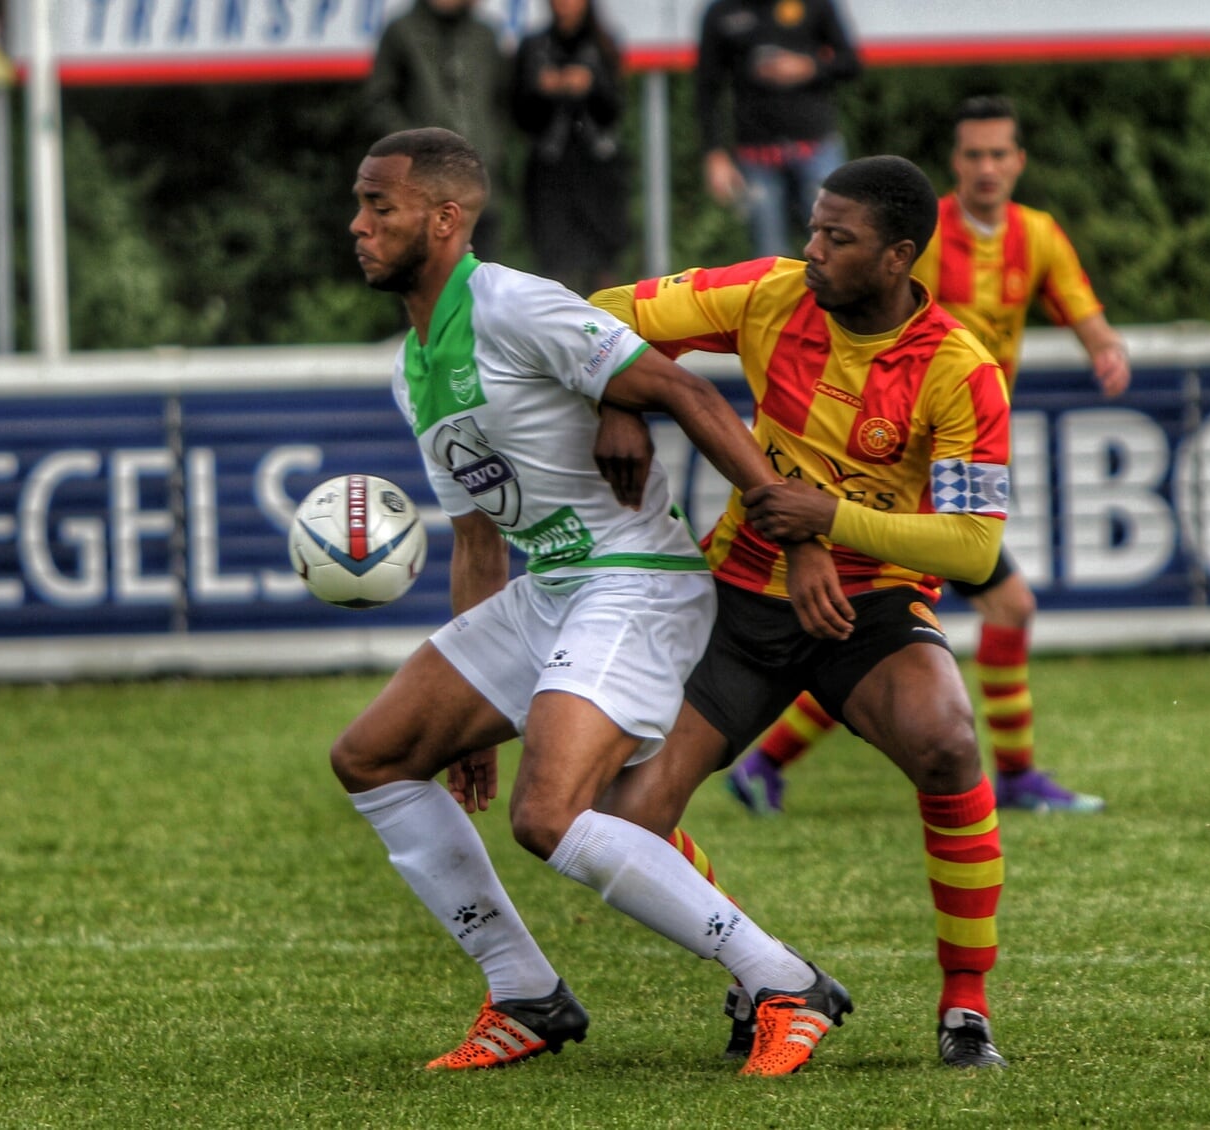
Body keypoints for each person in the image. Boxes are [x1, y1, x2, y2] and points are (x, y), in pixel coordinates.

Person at [334, 127, 851, 1077]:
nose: (358, 225)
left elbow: (688, 394)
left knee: (551, 815)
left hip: (636, 583)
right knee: (372, 757)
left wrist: (801, 537)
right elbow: (480, 542)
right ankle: (526, 994)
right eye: (361, 205)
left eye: (380, 205)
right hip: (551, 592)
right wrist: (475, 720)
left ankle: (784, 981)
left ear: (445, 219)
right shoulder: (410, 366)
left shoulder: (512, 303)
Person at [588, 155, 1015, 1069]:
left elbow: (976, 548)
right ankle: (765, 973)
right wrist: (616, 399)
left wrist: (831, 519)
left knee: (947, 741)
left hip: (871, 605)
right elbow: (594, 316)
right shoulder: (770, 295)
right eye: (813, 228)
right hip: (738, 600)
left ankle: (965, 1008)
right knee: (620, 819)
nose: (810, 250)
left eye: (837, 237)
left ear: (897, 257)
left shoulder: (958, 369)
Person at [727, 95, 1129, 816]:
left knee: (882, 629)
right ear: (956, 162)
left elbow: (1082, 309)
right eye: (973, 154)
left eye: (999, 154)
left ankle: (769, 762)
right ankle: (1014, 774)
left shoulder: (1037, 236)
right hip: (899, 467)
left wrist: (1105, 350)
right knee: (991, 606)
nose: (986, 168)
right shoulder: (914, 237)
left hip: (965, 453)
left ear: (1019, 161)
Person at [695, 0, 860, 258]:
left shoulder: (816, 4)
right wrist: (715, 153)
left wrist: (809, 67)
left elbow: (851, 63)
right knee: (769, 260)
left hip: (816, 148)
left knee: (833, 252)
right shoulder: (722, 11)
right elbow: (707, 88)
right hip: (756, 155)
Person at [364, 0, 510, 260]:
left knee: (483, 282)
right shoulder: (402, 32)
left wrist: (493, 147)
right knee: (425, 282)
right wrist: (414, 148)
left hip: (480, 181)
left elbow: (502, 101)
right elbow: (379, 100)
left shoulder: (484, 35)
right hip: (421, 187)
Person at [512, 0, 629, 294]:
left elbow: (615, 110)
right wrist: (543, 90)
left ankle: (609, 332)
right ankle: (560, 332)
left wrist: (592, 84)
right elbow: (519, 115)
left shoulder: (603, 44)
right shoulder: (534, 46)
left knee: (605, 262)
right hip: (550, 171)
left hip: (598, 168)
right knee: (554, 265)